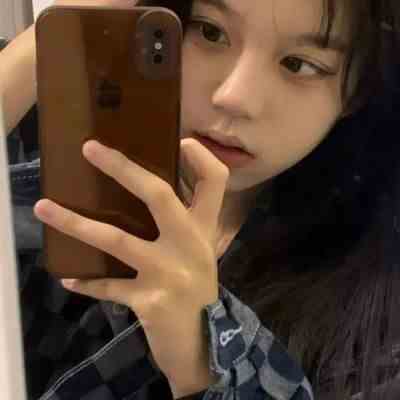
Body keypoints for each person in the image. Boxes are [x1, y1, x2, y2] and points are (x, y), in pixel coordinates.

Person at [1, 0, 400, 399]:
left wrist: (203, 361)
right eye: (210, 31)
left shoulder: (377, 313)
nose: (235, 97)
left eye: (299, 64)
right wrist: (36, 52)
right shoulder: (41, 128)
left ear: (357, 89)